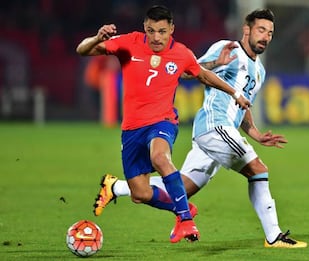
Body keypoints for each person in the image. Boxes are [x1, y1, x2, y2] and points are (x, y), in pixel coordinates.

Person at [99, 8, 308, 248]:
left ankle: (116, 187)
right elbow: (187, 71)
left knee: (182, 188)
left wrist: (257, 135)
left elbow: (242, 107)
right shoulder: (229, 49)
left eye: (270, 33)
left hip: (225, 129)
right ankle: (274, 236)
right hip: (214, 125)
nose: (265, 37)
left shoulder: (259, 70)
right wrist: (216, 62)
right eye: (261, 30)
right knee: (258, 170)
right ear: (247, 29)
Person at [76, 5, 251, 244]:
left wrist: (234, 93)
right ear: (144, 29)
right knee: (140, 193)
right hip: (131, 129)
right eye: (151, 31)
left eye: (161, 31)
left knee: (160, 157)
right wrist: (97, 37)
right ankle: (183, 208)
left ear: (171, 29)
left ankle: (186, 221)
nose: (156, 37)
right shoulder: (129, 42)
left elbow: (200, 74)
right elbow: (82, 50)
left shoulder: (181, 52)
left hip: (163, 121)